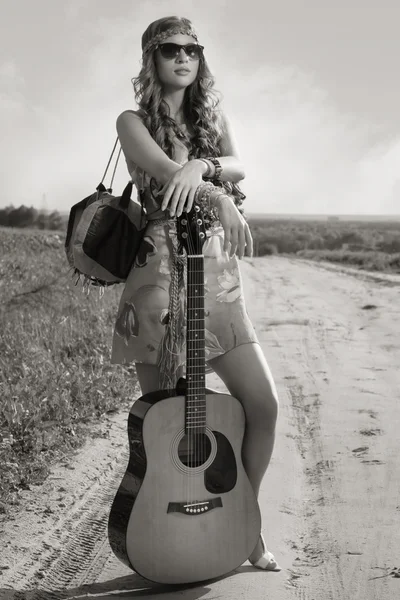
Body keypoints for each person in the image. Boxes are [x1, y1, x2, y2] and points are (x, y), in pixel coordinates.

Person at [110, 15, 280, 572]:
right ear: (151, 61)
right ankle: (168, 539)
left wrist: (205, 168)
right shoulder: (132, 120)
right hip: (158, 282)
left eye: (192, 49)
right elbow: (164, 172)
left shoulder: (212, 119)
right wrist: (221, 196)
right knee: (166, 428)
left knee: (263, 405)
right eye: (170, 50)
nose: (184, 57)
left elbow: (237, 163)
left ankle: (243, 524)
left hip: (218, 282)